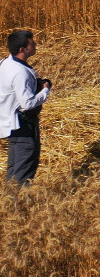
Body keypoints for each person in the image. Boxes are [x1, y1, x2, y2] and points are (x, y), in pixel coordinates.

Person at [1, 29, 49, 185]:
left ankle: (9, 204)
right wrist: (45, 90)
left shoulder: (5, 63)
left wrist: (36, 84)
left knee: (14, 168)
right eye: (32, 43)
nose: (35, 44)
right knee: (24, 169)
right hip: (24, 125)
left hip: (10, 122)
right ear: (23, 50)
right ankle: (19, 205)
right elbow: (27, 103)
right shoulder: (21, 72)